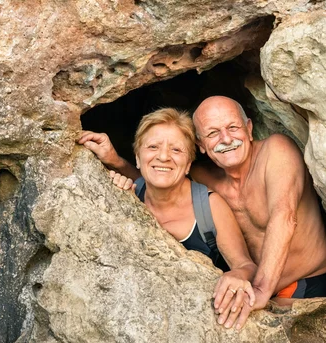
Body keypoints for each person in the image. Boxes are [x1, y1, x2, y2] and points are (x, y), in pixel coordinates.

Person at [78, 108, 257, 330]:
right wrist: (115, 168)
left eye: (176, 149)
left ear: (189, 164)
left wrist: (237, 274)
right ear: (137, 157)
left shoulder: (209, 207)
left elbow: (245, 264)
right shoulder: (128, 195)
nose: (163, 156)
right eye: (153, 147)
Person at [191, 96, 326, 315]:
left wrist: (260, 290)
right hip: (256, 288)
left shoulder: (276, 151)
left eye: (233, 127)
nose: (227, 139)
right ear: (200, 144)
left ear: (249, 128)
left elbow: (284, 216)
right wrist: (120, 169)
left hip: (308, 283)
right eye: (213, 133)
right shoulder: (202, 178)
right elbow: (161, 186)